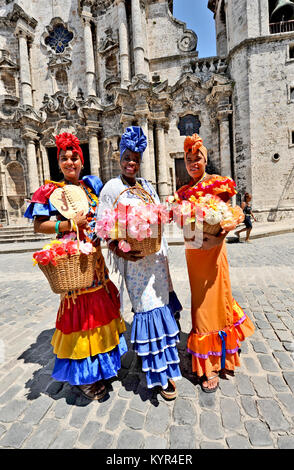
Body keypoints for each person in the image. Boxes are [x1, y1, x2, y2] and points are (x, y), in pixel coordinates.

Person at [24, 132, 127, 400]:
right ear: (59, 162)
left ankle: (103, 366)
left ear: (82, 162)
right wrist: (69, 224)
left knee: (102, 312)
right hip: (73, 264)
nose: (70, 162)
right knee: (82, 317)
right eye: (65, 158)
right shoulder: (50, 191)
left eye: (74, 158)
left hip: (96, 261)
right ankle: (84, 376)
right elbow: (38, 225)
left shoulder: (91, 187)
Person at [98, 126, 182, 400]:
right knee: (147, 310)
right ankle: (157, 373)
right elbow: (103, 227)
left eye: (136, 158)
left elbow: (157, 217)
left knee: (162, 307)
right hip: (134, 263)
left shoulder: (147, 186)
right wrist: (119, 251)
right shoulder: (112, 188)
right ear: (119, 158)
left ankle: (167, 366)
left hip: (156, 259)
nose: (131, 163)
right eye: (127, 157)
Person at [175, 134, 255, 393]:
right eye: (188, 159)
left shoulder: (218, 184)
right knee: (200, 307)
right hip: (193, 254)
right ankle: (210, 358)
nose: (192, 162)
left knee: (218, 301)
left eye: (197, 158)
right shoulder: (183, 193)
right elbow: (183, 224)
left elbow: (231, 214)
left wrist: (219, 235)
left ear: (205, 159)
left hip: (214, 253)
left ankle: (215, 361)